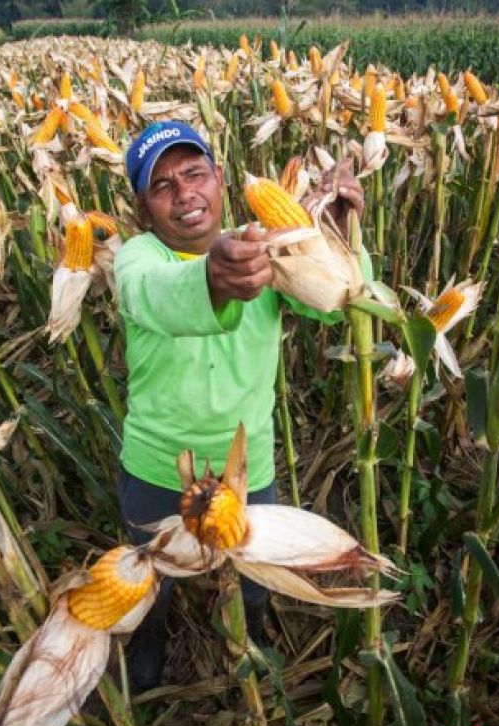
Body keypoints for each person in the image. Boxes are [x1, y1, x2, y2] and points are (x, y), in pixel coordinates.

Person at [114, 120, 371, 691]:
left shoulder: (266, 246)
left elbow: (338, 305)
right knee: (151, 580)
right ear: (144, 208)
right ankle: (148, 642)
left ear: (220, 179)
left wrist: (339, 233)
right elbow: (152, 295)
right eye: (163, 186)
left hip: (247, 467)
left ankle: (250, 634)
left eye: (195, 174)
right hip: (157, 466)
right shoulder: (137, 258)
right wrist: (214, 277)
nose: (184, 193)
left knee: (255, 580)